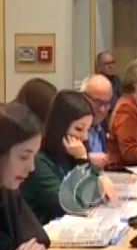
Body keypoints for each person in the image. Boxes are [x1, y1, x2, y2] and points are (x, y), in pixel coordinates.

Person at [21, 91, 117, 224]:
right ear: (59, 127)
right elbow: (73, 207)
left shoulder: (69, 155)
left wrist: (101, 177)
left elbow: (94, 194)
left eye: (88, 129)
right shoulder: (39, 162)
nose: (85, 137)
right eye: (78, 129)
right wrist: (82, 161)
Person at [0, 103, 50, 250]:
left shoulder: (7, 191)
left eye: (33, 157)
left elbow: (35, 239)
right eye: (23, 157)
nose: (31, 168)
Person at [79, 74, 113, 169]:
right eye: (98, 102)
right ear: (82, 97)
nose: (102, 109)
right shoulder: (73, 128)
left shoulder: (103, 127)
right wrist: (88, 159)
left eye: (106, 103)